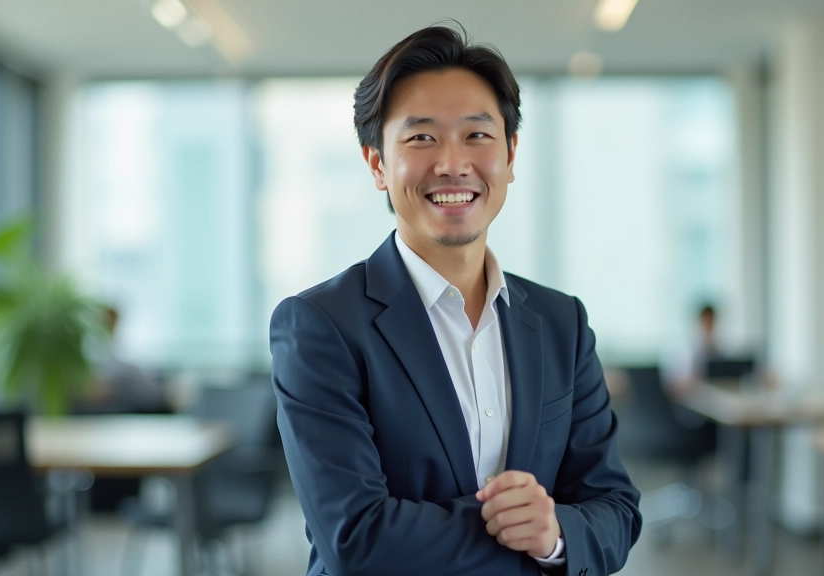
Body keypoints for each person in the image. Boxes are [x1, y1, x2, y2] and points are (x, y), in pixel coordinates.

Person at [269, 23, 641, 576]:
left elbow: (615, 510)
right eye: (421, 138)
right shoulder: (321, 325)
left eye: (477, 135)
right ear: (377, 164)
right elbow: (357, 538)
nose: (451, 163)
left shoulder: (562, 322)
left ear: (511, 156)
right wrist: (525, 535)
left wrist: (556, 533)